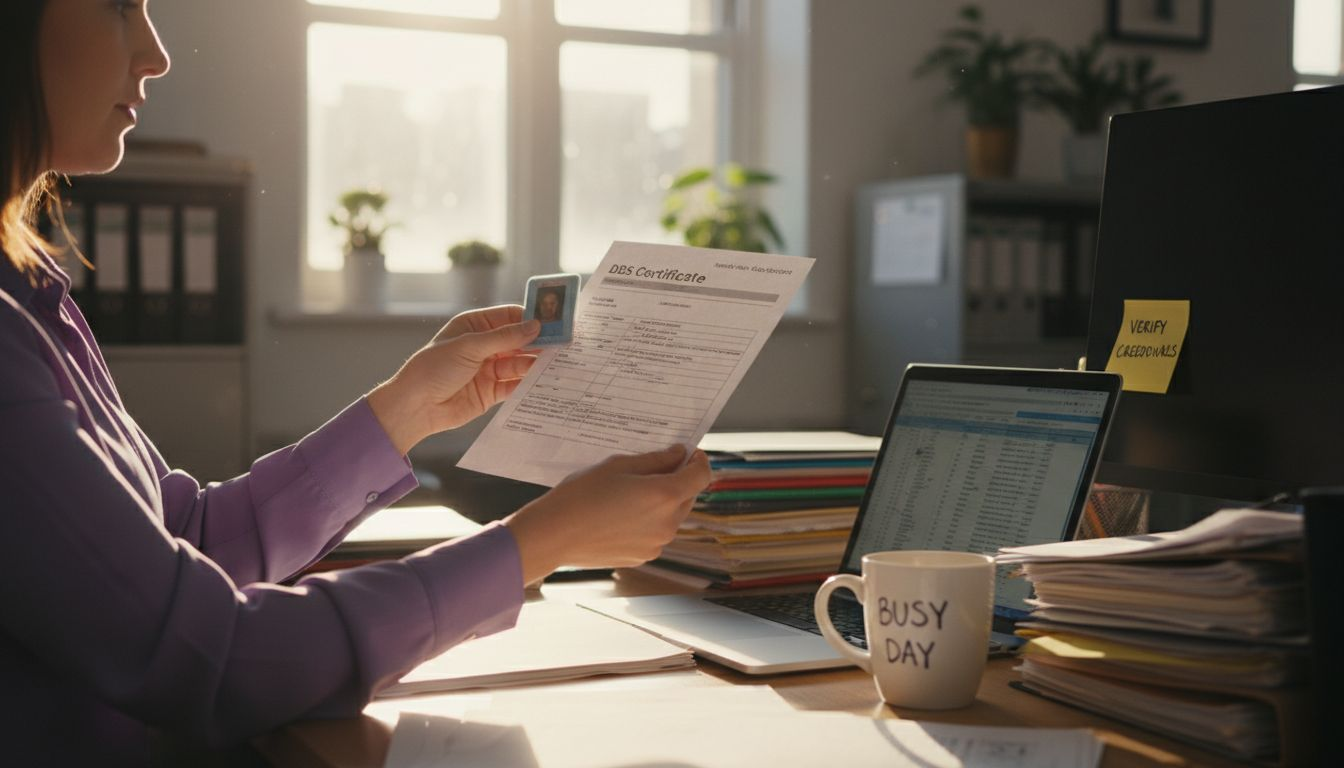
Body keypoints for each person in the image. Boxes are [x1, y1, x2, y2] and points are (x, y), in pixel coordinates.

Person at [0, 1, 711, 763]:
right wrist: (541, 541)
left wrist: (407, 408)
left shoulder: (34, 298)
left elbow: (188, 542)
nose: (156, 54)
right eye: (119, 5)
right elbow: (213, 660)